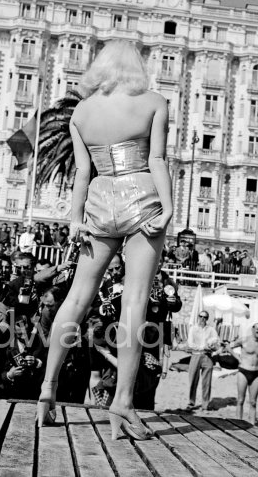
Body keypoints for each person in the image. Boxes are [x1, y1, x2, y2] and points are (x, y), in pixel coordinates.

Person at [37, 40, 172, 442]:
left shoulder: (81, 111)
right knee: (134, 303)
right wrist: (166, 210)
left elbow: (81, 172)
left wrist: (75, 219)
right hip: (142, 198)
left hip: (99, 200)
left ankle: (47, 391)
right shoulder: (153, 101)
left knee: (76, 299)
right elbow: (158, 160)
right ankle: (123, 402)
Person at [229, 322, 258, 424]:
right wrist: (238, 358)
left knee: (253, 402)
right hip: (243, 371)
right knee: (240, 400)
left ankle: (252, 426)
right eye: (257, 329)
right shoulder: (244, 339)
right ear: (252, 329)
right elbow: (229, 347)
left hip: (256, 373)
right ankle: (238, 424)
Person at [186, 310, 219, 411]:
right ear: (198, 317)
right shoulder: (193, 329)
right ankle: (191, 403)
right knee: (192, 380)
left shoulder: (211, 329)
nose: (202, 319)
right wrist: (203, 347)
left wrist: (211, 345)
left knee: (207, 382)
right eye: (201, 316)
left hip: (207, 356)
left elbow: (216, 340)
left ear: (207, 319)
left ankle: (205, 404)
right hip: (195, 355)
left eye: (205, 317)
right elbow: (190, 344)